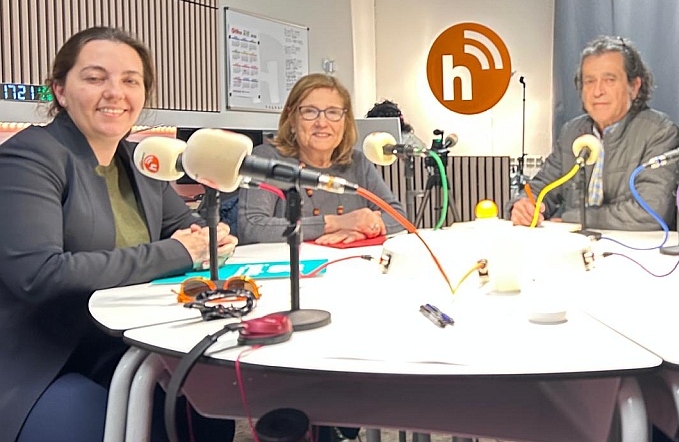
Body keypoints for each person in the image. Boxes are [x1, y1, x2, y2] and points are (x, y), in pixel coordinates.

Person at [0, 27, 237, 441]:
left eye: (130, 80)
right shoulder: (28, 157)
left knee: (206, 414)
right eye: (95, 78)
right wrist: (181, 252)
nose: (115, 92)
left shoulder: (140, 161)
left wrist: (211, 239)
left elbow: (185, 230)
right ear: (60, 91)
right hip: (48, 356)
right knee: (101, 425)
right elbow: (39, 274)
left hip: (126, 341)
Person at [510, 35, 679, 230]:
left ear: (634, 87)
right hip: (576, 245)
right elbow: (541, 188)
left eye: (609, 80)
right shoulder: (571, 132)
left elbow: (649, 214)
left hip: (638, 246)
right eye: (589, 81)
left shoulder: (659, 132)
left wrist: (574, 219)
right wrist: (523, 205)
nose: (597, 91)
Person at [238, 73, 407, 245]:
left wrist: (363, 230)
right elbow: (252, 228)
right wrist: (336, 223)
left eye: (333, 112)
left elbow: (398, 216)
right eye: (310, 111)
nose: (322, 123)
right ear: (292, 119)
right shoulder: (267, 161)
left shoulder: (357, 162)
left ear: (345, 121)